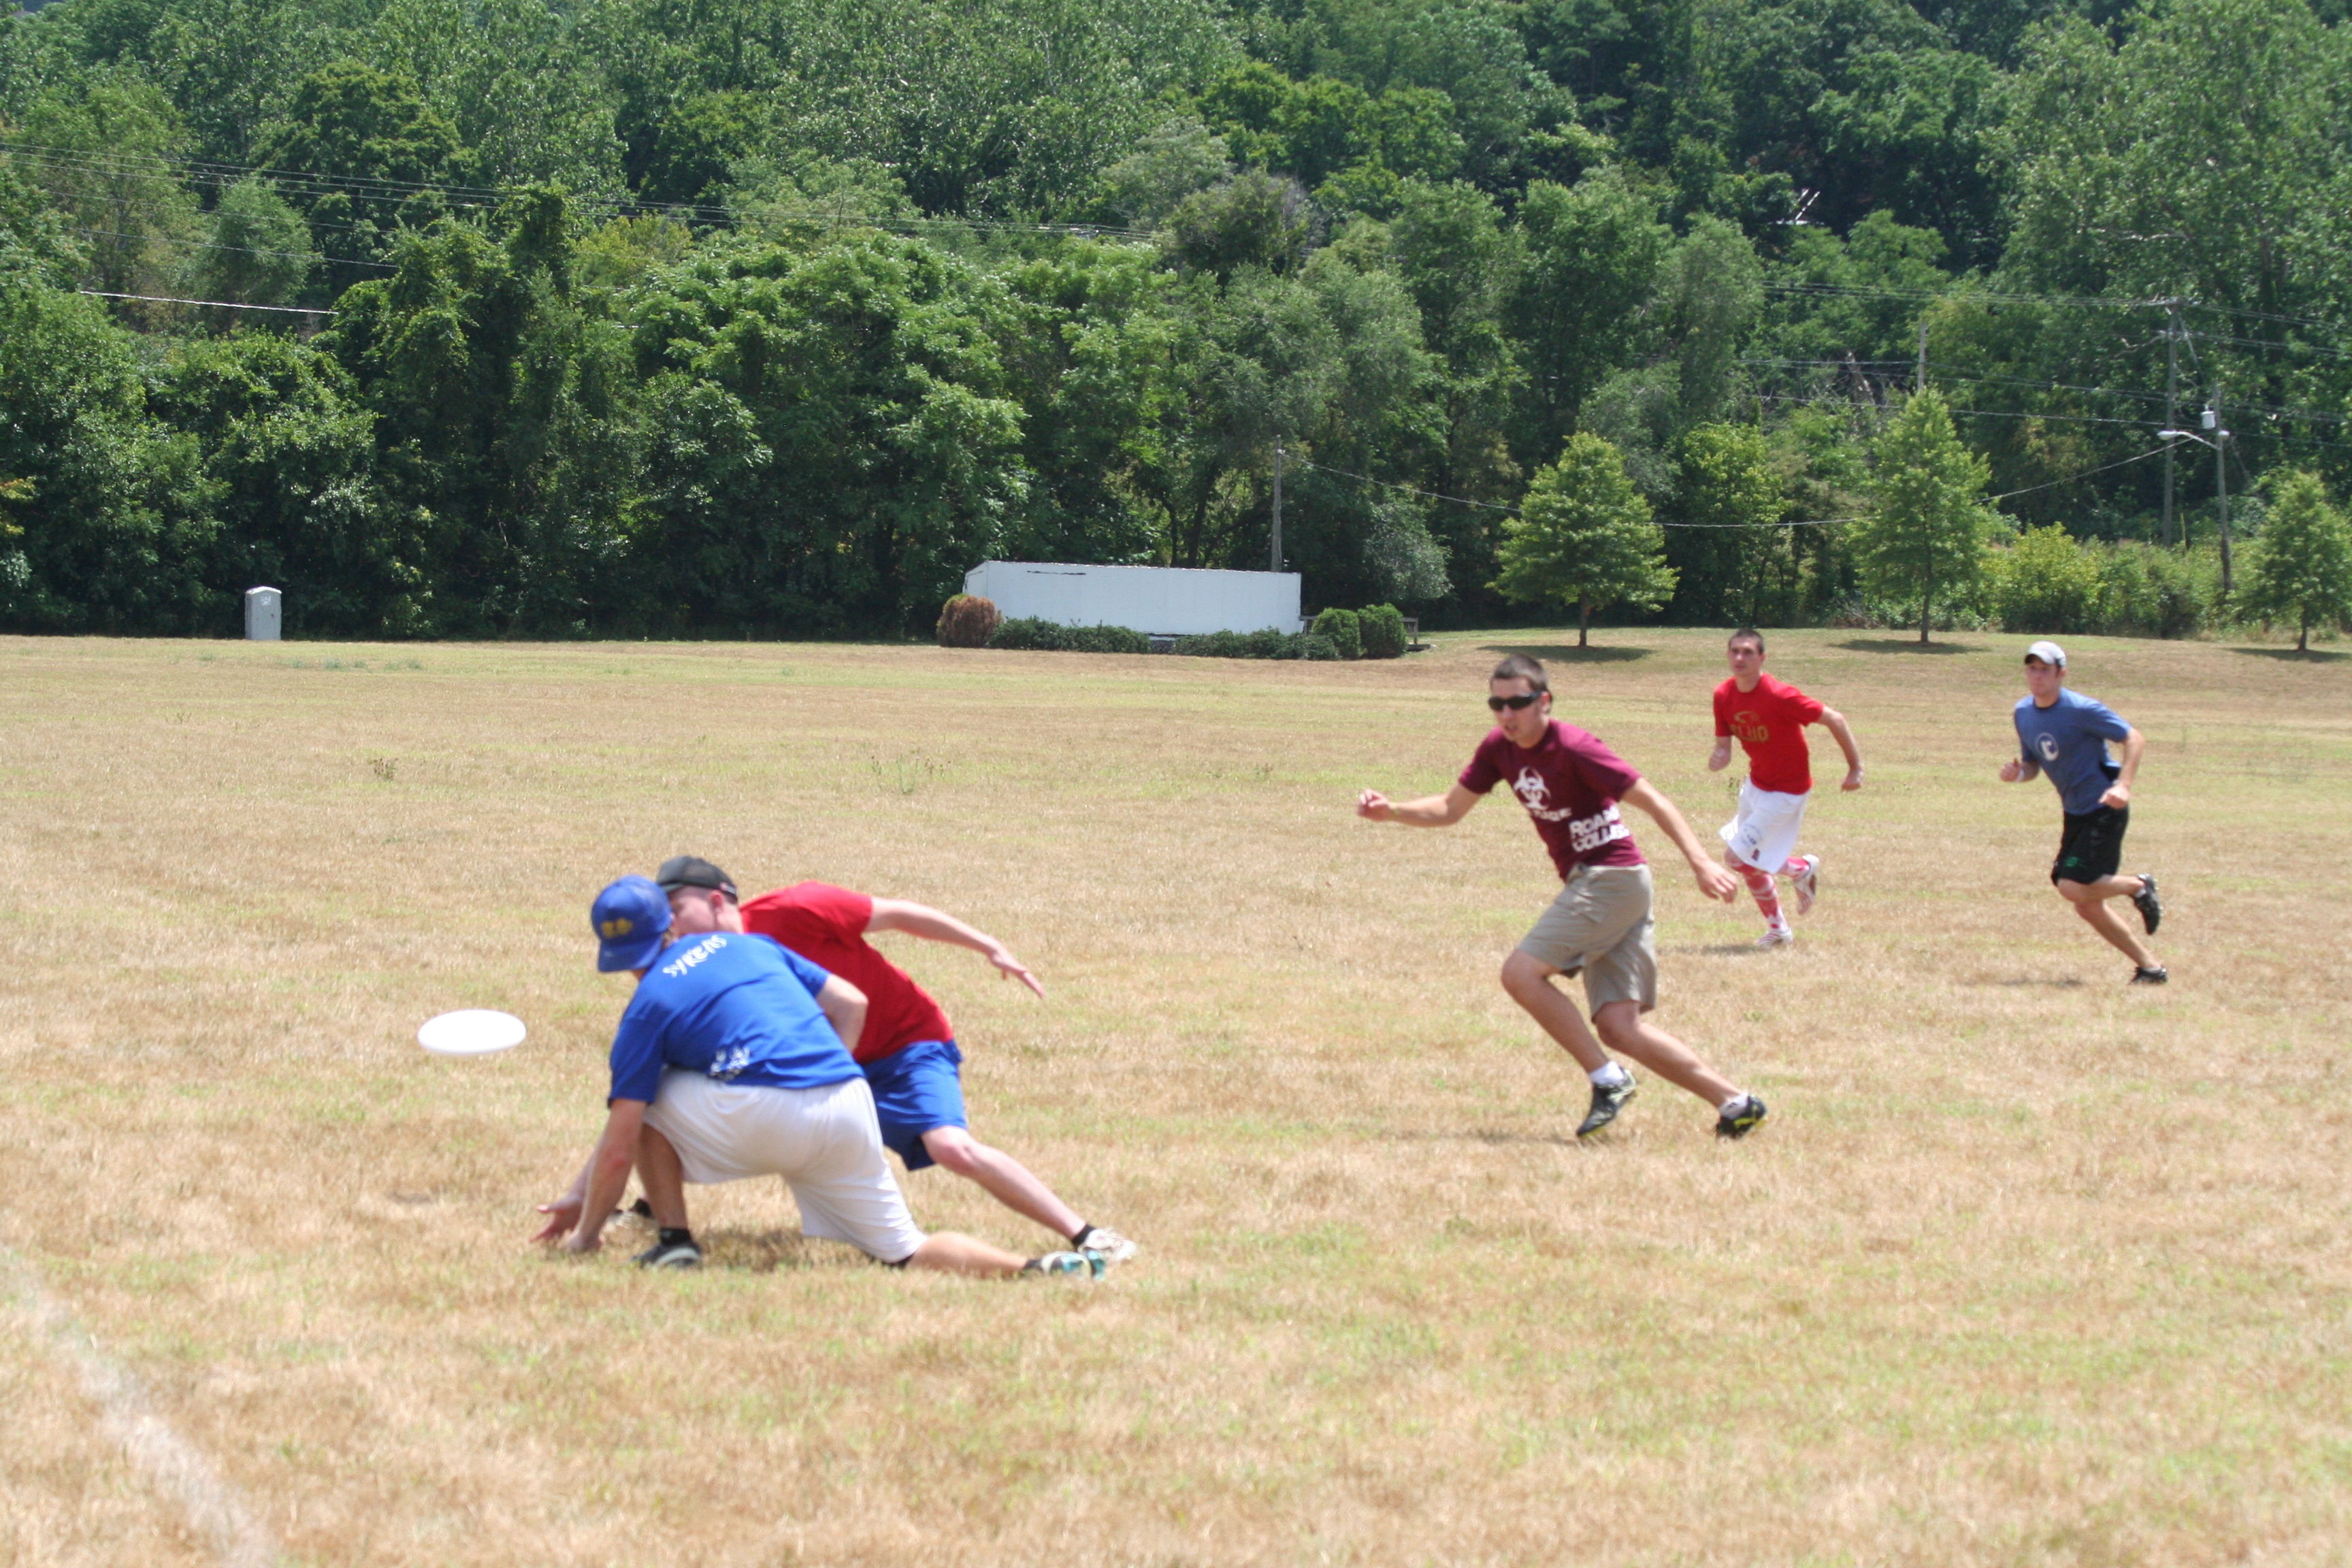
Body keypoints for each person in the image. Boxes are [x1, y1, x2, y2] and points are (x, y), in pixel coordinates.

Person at [531, 875, 1105, 1278]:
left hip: (766, 1115)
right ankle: (1038, 1268)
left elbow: (619, 1146)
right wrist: (830, 1072)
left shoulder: (647, 1007)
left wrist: (585, 1233)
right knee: (906, 1250)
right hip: (849, 1103)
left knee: (650, 1099)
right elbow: (851, 1001)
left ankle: (675, 1242)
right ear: (668, 927)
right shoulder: (752, 946)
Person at [1356, 653, 1769, 1141]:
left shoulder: (1575, 747)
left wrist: (1700, 862)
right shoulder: (1499, 749)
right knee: (1619, 1027)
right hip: (1603, 883)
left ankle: (1608, 1079)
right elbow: (1449, 808)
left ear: (1544, 701)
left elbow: (1654, 800)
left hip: (1612, 878)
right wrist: (1393, 811)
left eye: (1518, 703)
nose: (1507, 714)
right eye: (1497, 704)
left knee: (1520, 974)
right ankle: (1737, 1103)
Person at [653, 857, 1138, 1264]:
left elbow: (899, 914)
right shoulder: (705, 966)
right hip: (829, 1071)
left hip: (907, 1044)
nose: (670, 929)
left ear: (717, 900)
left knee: (952, 1148)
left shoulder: (797, 908)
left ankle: (1088, 1234)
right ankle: (650, 1207)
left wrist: (989, 947)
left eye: (676, 911)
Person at [1999, 641, 2166, 983]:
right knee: (2087, 904)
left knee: (2072, 886)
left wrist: (2124, 786)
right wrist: (2018, 774)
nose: (2037, 676)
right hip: (2074, 812)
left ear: (2061, 673)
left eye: (2045, 670)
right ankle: (2151, 968)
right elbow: (2032, 765)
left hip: (2104, 806)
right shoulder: (2023, 713)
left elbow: (2134, 738)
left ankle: (2138, 886)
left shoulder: (2082, 709)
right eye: (2032, 669)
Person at [1705, 627, 1865, 947]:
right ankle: (1779, 930)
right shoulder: (1723, 695)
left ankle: (1800, 869)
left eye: (1748, 652)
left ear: (1762, 658)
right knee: (1749, 862)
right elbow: (1724, 745)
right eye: (1735, 651)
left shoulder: (1780, 695)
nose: (1740, 657)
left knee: (1737, 859)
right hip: (1756, 785)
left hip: (1788, 791)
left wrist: (1855, 768)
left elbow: (1835, 719)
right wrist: (1720, 756)